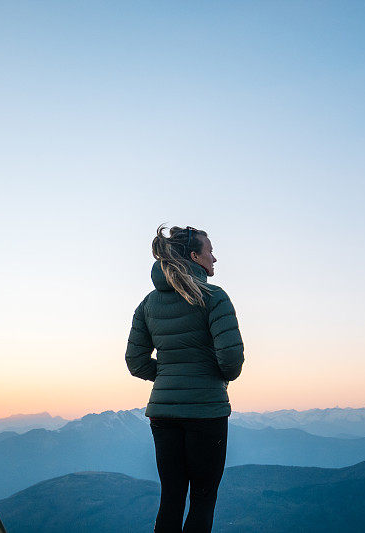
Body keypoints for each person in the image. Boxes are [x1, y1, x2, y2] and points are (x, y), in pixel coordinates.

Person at [125, 224, 245, 532]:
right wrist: (208, 378)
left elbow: (135, 362)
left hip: (163, 414)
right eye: (210, 251)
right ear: (194, 256)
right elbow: (231, 363)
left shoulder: (148, 304)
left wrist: (167, 376)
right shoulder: (214, 297)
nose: (215, 259)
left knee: (171, 496)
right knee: (203, 499)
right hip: (206, 412)